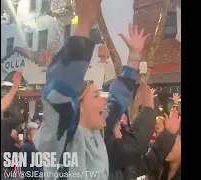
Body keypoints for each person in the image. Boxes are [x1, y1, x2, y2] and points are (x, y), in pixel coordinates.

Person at [32, 0, 150, 179]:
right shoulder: (59, 137)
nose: (104, 100)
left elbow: (117, 100)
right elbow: (60, 89)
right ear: (77, 105)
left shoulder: (97, 133)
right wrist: (85, 23)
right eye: (96, 96)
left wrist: (133, 56)